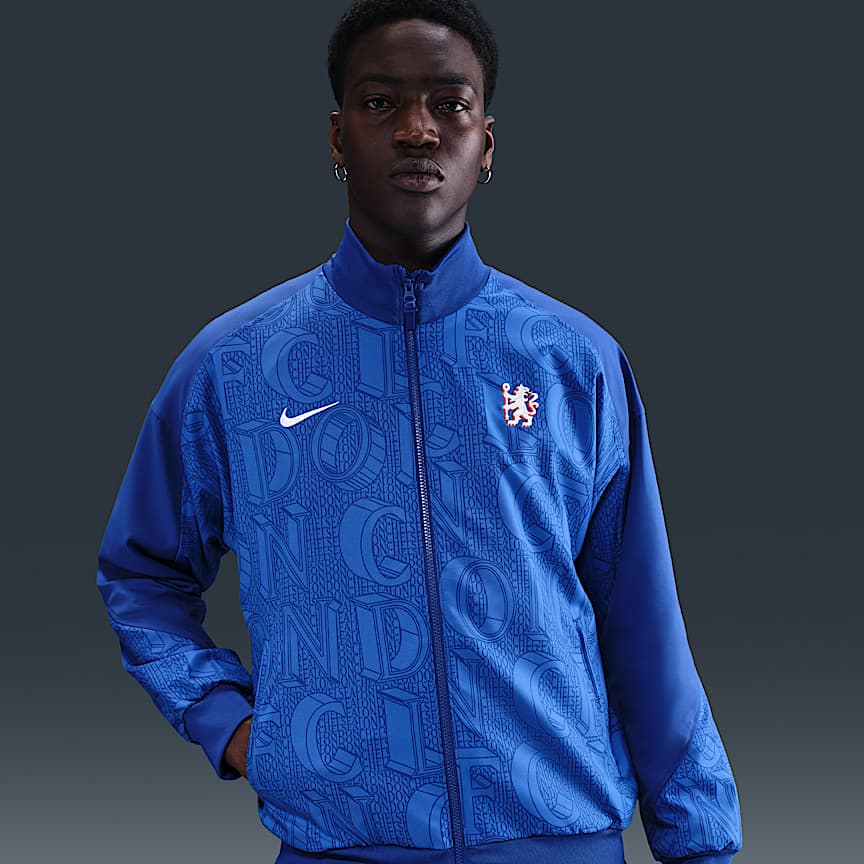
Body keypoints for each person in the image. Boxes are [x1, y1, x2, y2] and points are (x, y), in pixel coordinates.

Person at [97, 1, 743, 862]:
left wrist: (700, 842)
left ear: (487, 143)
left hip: (559, 837)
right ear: (337, 137)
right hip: (341, 845)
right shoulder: (236, 366)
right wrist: (236, 728)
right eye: (380, 102)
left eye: (450, 104)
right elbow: (141, 573)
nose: (416, 130)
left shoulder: (572, 360)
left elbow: (644, 625)